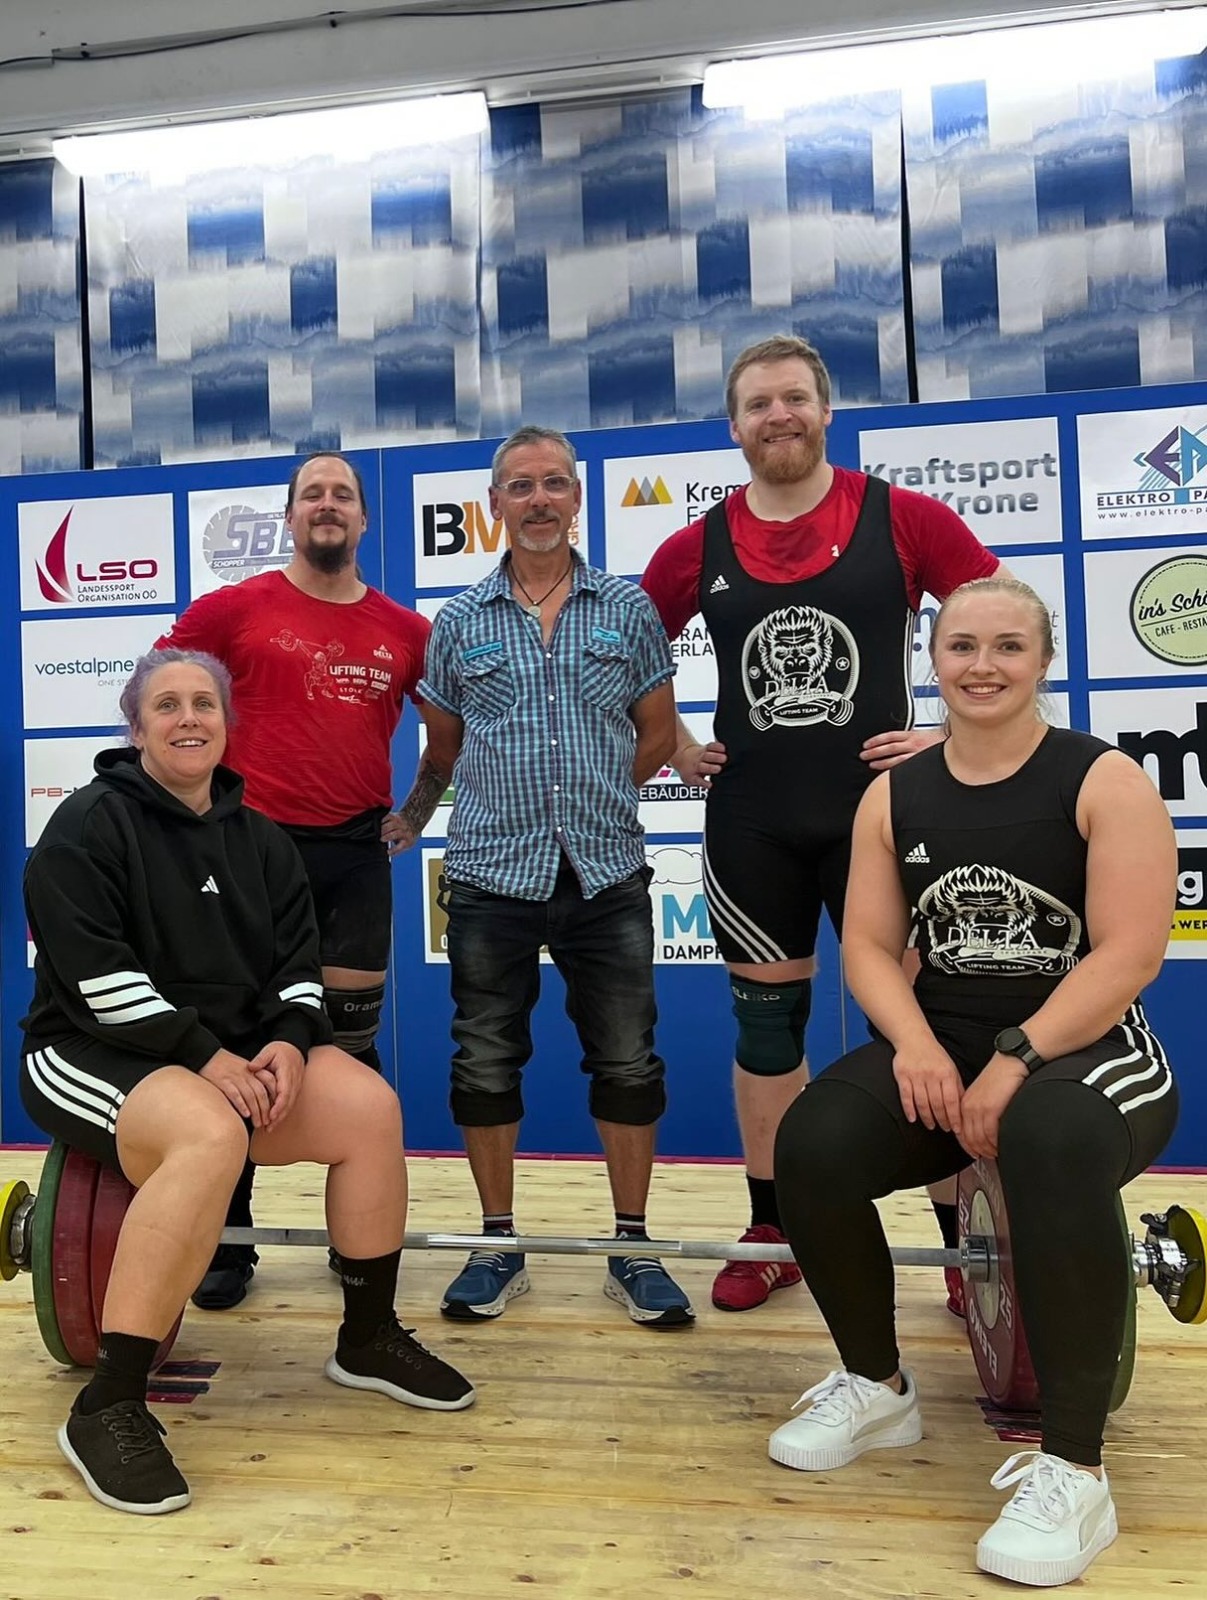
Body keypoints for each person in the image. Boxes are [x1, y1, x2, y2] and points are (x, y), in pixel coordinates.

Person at [769, 578, 1178, 1587]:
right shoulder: (894, 794)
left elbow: (1128, 954)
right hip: (946, 1045)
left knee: (1048, 1136)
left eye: (1006, 646)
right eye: (960, 646)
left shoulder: (1102, 779)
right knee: (812, 1142)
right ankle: (877, 1385)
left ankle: (1075, 1471)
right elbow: (868, 946)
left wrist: (1018, 1058)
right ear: (933, 658)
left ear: (1042, 661)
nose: (981, 665)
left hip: (1090, 1052)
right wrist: (911, 1045)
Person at [19, 650, 474, 1517]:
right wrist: (208, 1057)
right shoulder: (85, 826)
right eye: (166, 705)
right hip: (89, 1052)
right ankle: (107, 1404)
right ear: (136, 727)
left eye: (204, 703)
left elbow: (297, 969)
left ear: (227, 724)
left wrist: (292, 1044)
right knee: (210, 1135)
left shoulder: (260, 840)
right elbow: (98, 982)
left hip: (219, 1056)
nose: (188, 718)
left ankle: (368, 1336)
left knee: (367, 1107)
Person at [641, 334, 1003, 1313]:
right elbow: (624, 652)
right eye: (758, 404)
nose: (779, 416)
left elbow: (1002, 621)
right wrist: (675, 743)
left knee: (921, 1026)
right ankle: (776, 1228)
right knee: (766, 1030)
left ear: (826, 410)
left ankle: (961, 1247)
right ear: (733, 427)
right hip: (753, 824)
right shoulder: (696, 545)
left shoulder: (904, 518)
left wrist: (950, 733)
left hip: (883, 822)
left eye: (794, 398)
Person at [412, 424, 692, 1328]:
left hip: (606, 872)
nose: (538, 500)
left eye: (554, 484)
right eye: (520, 486)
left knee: (627, 1059)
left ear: (576, 497)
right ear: (494, 503)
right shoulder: (457, 622)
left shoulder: (628, 608)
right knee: (484, 1058)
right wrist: (412, 817)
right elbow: (443, 749)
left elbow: (658, 732)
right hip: (490, 874)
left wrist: (592, 800)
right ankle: (497, 1243)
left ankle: (632, 1247)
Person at [158, 452, 433, 1308]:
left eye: (342, 494)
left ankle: (359, 1238)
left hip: (354, 857)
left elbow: (454, 727)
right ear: (288, 516)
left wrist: (418, 809)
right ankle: (223, 1241)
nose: (327, 504)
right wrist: (180, 817)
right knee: (232, 1044)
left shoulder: (405, 630)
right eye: (311, 493)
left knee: (347, 1048)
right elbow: (160, 699)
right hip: (244, 853)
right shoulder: (231, 609)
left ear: (363, 520)